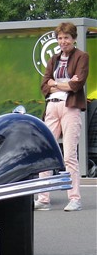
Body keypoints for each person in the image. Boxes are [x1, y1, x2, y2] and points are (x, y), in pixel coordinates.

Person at [35, 22, 89, 212]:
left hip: (70, 107)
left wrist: (55, 83)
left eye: (66, 37)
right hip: (52, 106)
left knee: (69, 156)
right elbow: (44, 86)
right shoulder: (53, 59)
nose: (63, 41)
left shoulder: (82, 57)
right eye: (60, 38)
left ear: (73, 38)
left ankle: (74, 198)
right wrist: (63, 83)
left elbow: (77, 84)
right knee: (46, 153)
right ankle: (43, 199)